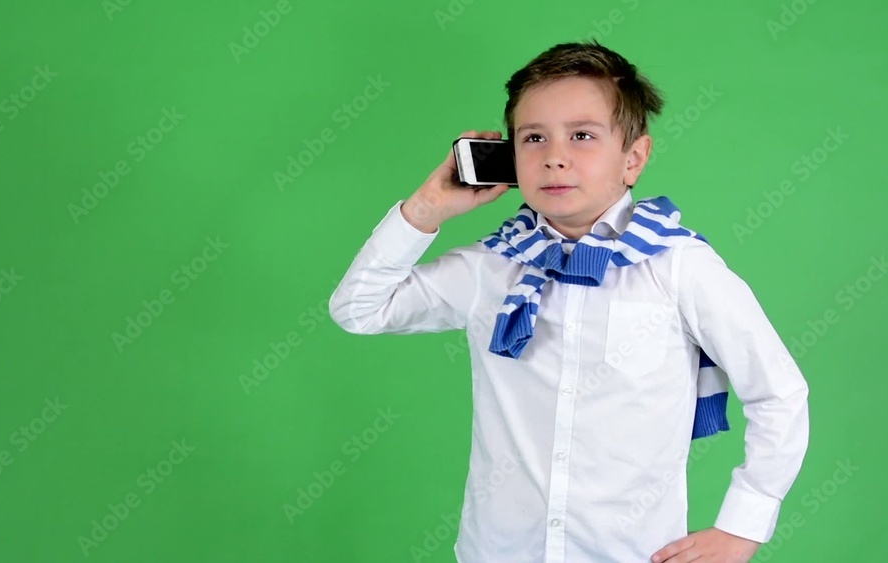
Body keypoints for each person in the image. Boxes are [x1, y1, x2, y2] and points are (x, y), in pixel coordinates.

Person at [328, 40, 809, 563]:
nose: (554, 156)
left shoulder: (679, 266)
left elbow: (778, 392)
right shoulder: (492, 266)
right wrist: (425, 208)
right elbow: (360, 309)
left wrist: (742, 527)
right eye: (534, 138)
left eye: (582, 135)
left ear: (633, 158)